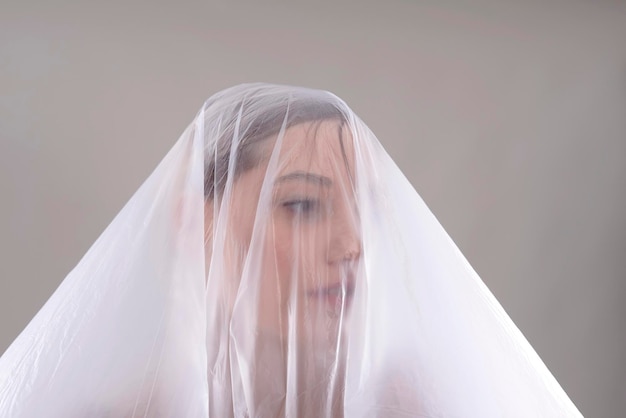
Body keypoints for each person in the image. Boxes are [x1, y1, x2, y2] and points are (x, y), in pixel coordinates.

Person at [0, 83, 583, 417]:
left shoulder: (437, 407)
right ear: (194, 224)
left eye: (368, 210)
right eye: (303, 205)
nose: (353, 245)